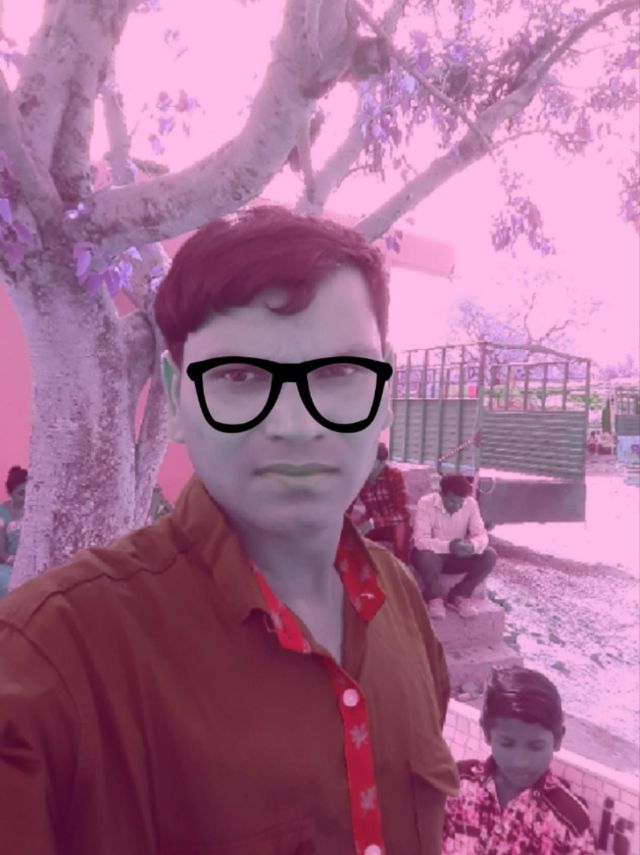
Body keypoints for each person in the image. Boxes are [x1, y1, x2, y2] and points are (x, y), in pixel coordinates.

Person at [0, 206, 458, 854]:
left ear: (383, 392)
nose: (296, 424)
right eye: (240, 377)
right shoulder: (51, 661)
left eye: (338, 373)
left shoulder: (403, 603)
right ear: (175, 396)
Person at [442, 666, 597, 854]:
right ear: (487, 733)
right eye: (507, 744)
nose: (520, 762)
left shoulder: (570, 823)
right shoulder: (454, 785)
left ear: (558, 740)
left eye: (535, 746)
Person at [411, 474, 496, 620]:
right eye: (452, 501)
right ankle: (434, 597)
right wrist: (449, 546)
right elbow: (420, 541)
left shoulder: (470, 504)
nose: (457, 506)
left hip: (457, 557)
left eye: (460, 502)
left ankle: (459, 595)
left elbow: (481, 535)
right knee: (425, 555)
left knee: (489, 555)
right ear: (441, 494)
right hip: (432, 559)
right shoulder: (426, 503)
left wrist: (472, 545)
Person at [347, 441, 412, 563]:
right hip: (372, 524)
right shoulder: (359, 478)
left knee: (402, 528)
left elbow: (403, 513)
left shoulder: (394, 476)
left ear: (382, 463)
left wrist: (372, 523)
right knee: (348, 530)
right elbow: (347, 508)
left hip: (392, 524)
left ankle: (401, 568)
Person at [0, 465, 27, 597]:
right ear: (10, 493)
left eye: (29, 492)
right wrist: (14, 560)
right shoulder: (2, 513)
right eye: (21, 493)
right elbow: (1, 553)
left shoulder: (36, 510)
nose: (26, 497)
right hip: (8, 565)